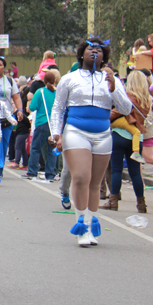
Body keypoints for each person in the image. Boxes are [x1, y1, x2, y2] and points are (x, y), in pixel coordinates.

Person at [49, 37, 133, 247]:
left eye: (99, 50)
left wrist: (113, 87)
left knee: (95, 183)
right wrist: (55, 133)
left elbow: (126, 109)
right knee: (80, 177)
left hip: (103, 134)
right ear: (81, 53)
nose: (95, 52)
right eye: (90, 49)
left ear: (105, 56)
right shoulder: (70, 78)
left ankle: (90, 224)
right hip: (76, 132)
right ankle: (81, 228)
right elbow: (58, 108)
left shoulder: (112, 79)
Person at [101, 71, 151, 213]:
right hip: (137, 138)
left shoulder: (129, 96)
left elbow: (118, 111)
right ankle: (141, 203)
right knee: (135, 172)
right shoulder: (147, 99)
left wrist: (106, 117)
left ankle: (113, 201)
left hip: (120, 135)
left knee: (116, 169)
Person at [0, 56, 23, 176]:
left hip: (7, 116)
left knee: (4, 142)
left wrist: (20, 110)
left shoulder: (10, 81)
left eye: (0, 65)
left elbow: (16, 97)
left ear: (4, 68)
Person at [23, 69, 58, 182]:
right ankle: (51, 173)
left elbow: (32, 107)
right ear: (55, 80)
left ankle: (32, 171)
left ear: (43, 80)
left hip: (42, 123)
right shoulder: (57, 93)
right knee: (51, 149)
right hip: (53, 124)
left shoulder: (41, 91)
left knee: (35, 148)